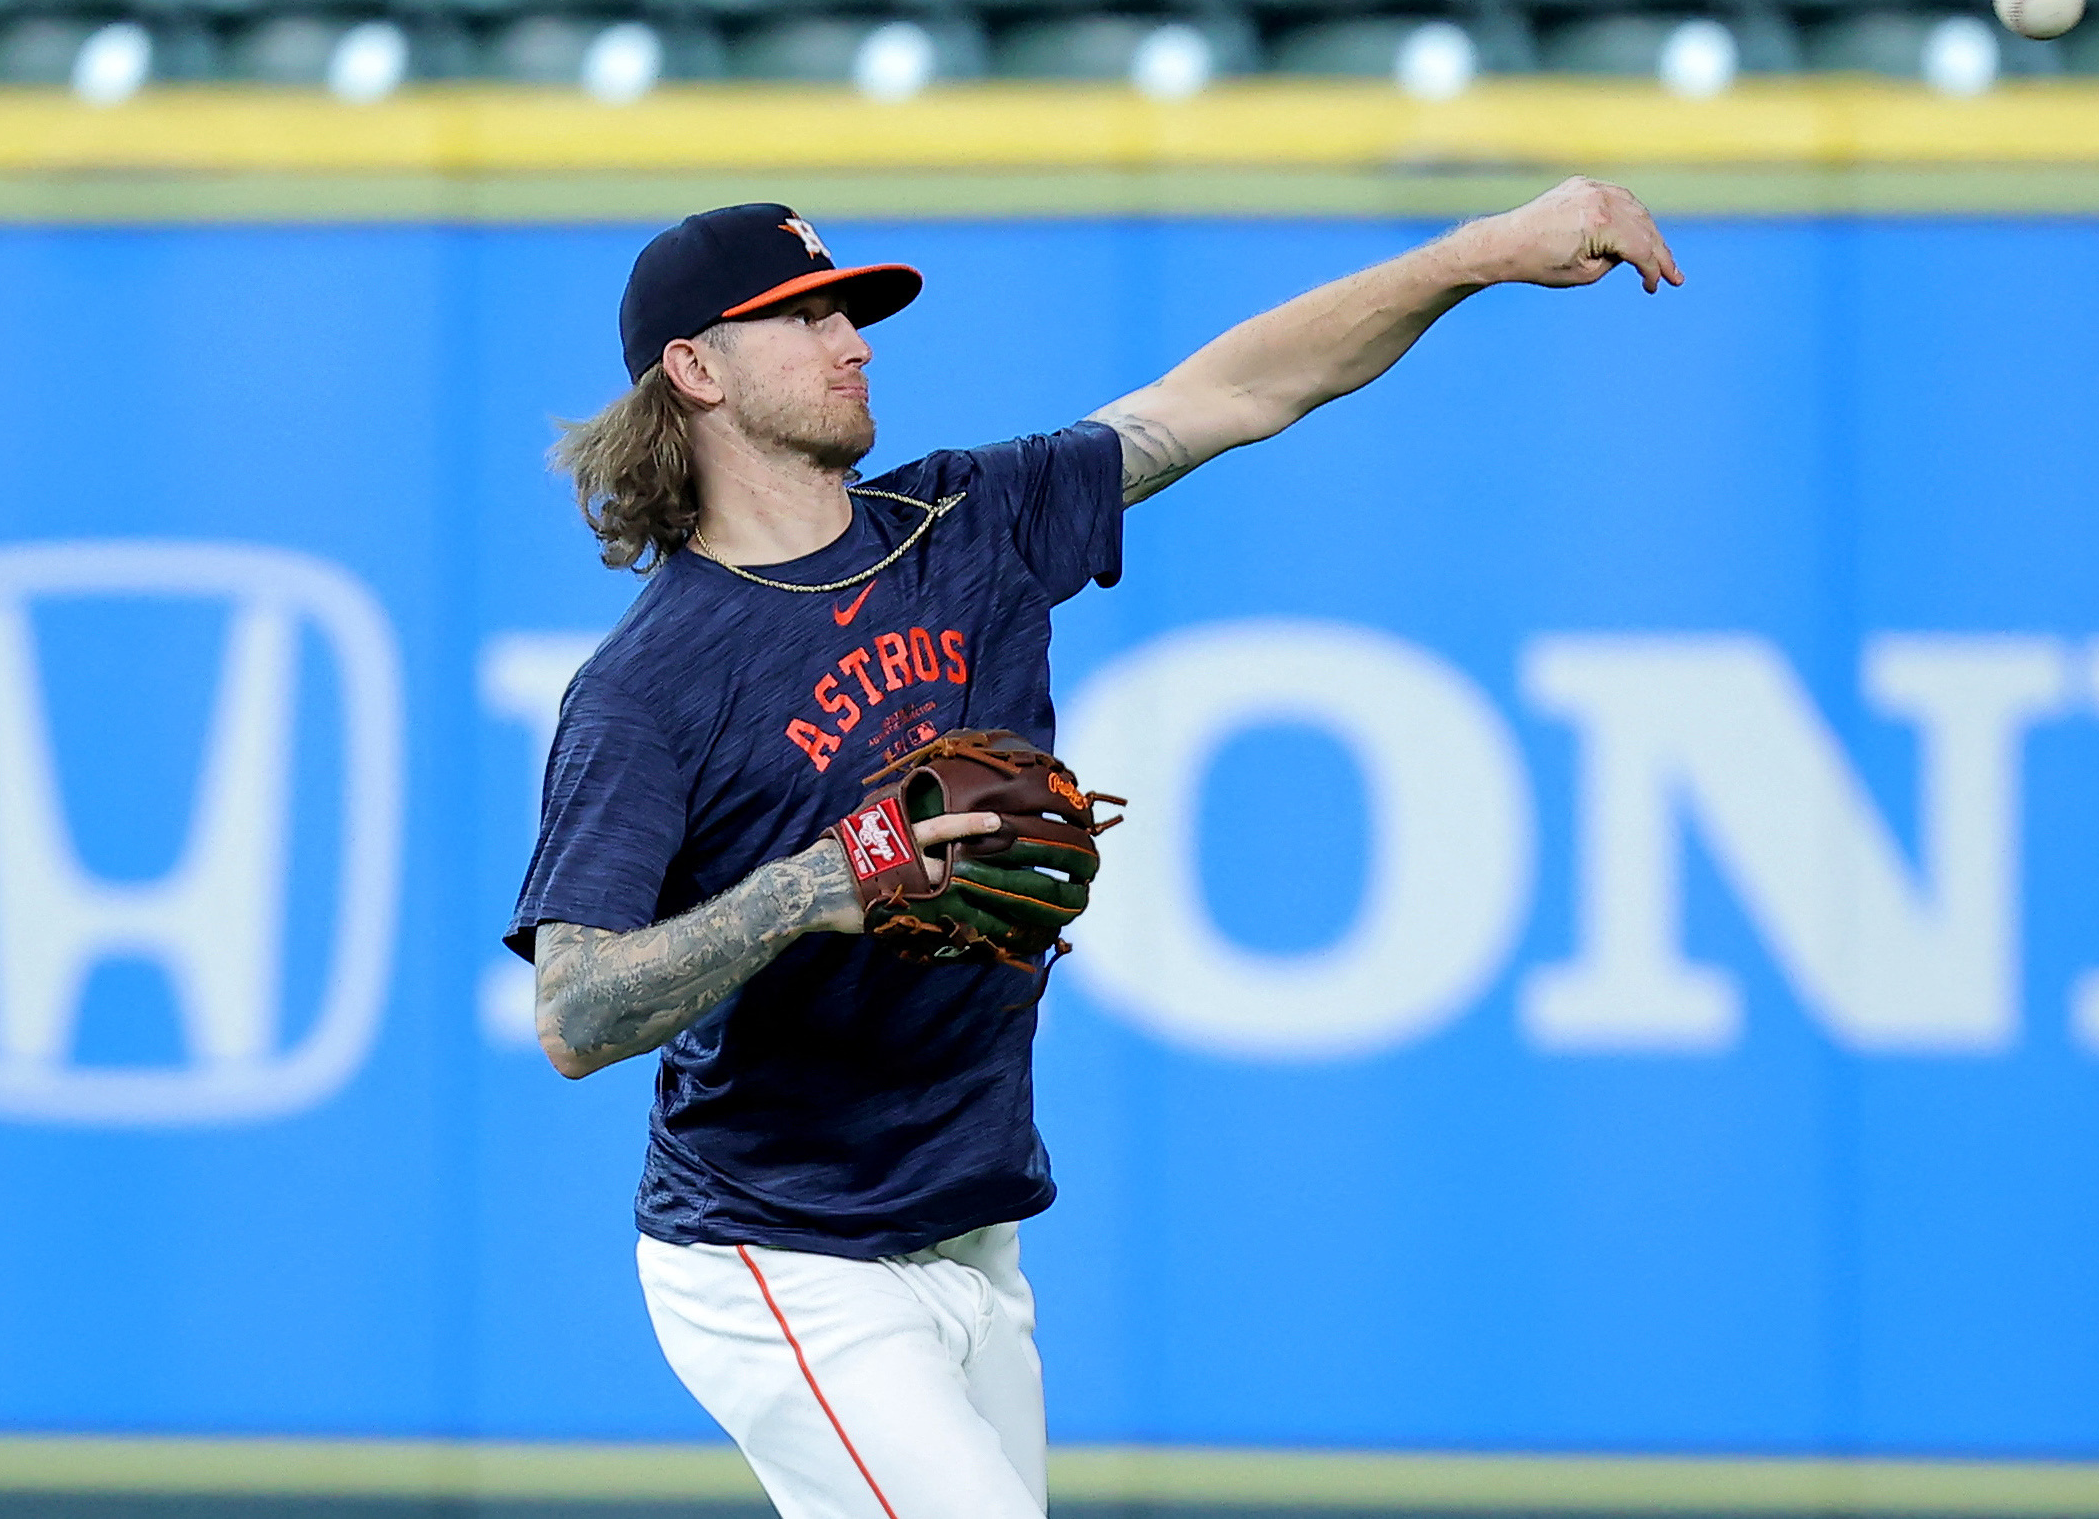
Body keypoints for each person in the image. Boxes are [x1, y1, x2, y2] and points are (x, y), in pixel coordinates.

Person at [506, 184, 1681, 1519]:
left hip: (966, 1220)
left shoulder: (963, 524)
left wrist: (1480, 254)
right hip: (777, 1246)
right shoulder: (647, 687)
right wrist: (809, 887)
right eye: (803, 316)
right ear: (694, 369)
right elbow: (576, 1009)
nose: (854, 340)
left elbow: (1234, 393)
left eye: (850, 309)